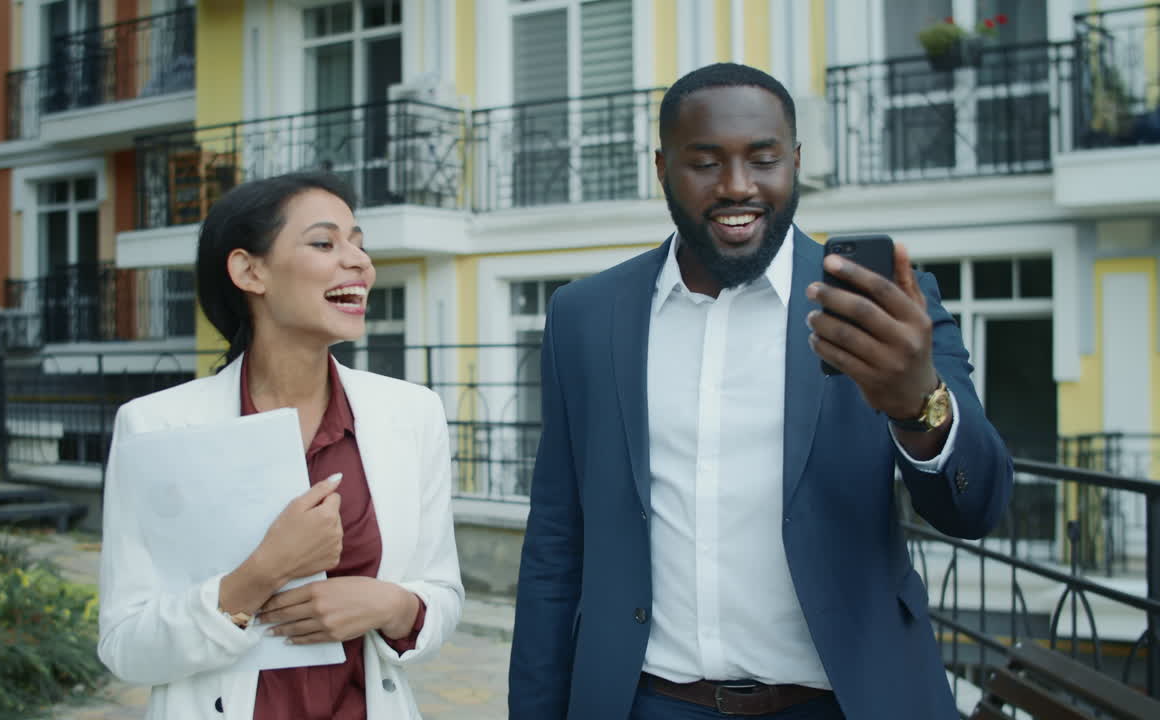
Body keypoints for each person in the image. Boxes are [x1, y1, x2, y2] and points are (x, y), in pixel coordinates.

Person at [508, 63, 1013, 720]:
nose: (737, 186)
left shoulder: (882, 308)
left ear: (795, 162)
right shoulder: (585, 315)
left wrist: (918, 403)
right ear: (661, 168)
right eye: (706, 162)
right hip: (648, 703)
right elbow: (555, 540)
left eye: (763, 159)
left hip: (843, 704)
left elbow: (975, 509)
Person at [97, 171, 463, 720]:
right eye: (324, 242)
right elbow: (126, 646)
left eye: (359, 243)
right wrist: (258, 576)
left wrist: (391, 605)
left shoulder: (412, 414)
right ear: (250, 270)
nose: (359, 262)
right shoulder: (157, 426)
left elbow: (441, 594)